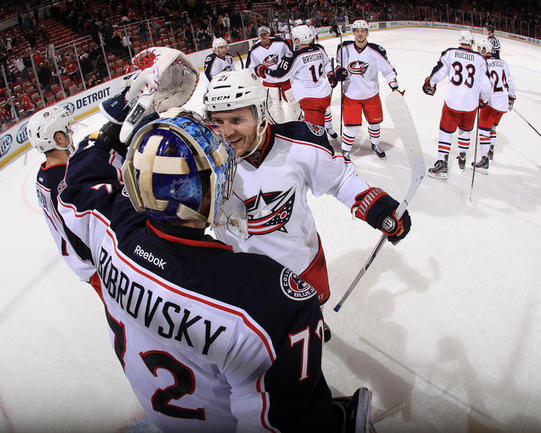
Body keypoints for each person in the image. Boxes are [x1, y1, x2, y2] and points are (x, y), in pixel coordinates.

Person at [58, 104, 377, 433]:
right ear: (208, 190)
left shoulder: (107, 227)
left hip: (163, 413)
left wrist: (113, 125)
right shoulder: (269, 302)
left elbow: (80, 182)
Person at [204, 69, 412, 342]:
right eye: (218, 121)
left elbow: (339, 179)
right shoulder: (200, 156)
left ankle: (314, 320)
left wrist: (377, 208)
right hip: (241, 270)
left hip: (299, 264)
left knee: (308, 316)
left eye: (237, 119)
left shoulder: (298, 143)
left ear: (260, 113)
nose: (227, 132)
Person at [27, 106, 100, 292]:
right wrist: (99, 263)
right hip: (94, 267)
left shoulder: (44, 174)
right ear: (58, 138)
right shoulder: (62, 182)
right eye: (67, 130)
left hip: (80, 262)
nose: (71, 134)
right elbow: (74, 230)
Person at [422, 30, 491, 179]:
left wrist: (431, 83)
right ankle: (462, 157)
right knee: (465, 131)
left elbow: (438, 73)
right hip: (471, 105)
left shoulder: (450, 53)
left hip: (453, 102)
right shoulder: (480, 59)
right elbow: (486, 86)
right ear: (471, 43)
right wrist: (484, 100)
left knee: (446, 132)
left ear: (460, 41)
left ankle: (442, 164)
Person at [335, 19, 402, 161]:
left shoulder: (376, 51)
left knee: (374, 123)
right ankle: (345, 151)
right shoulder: (344, 48)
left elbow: (388, 71)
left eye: (363, 31)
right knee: (351, 127)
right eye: (357, 31)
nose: (360, 34)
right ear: (353, 33)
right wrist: (338, 71)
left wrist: (394, 87)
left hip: (371, 94)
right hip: (351, 94)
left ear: (367, 33)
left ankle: (375, 144)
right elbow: (339, 65)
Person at [255, 24, 338, 139]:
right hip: (324, 93)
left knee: (314, 131)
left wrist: (262, 70)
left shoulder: (294, 56)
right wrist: (330, 75)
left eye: (295, 38)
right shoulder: (319, 49)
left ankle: (320, 144)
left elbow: (280, 76)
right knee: (326, 110)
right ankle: (329, 128)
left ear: (300, 38)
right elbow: (327, 63)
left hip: (309, 98)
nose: (294, 40)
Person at [471, 38, 516, 171]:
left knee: (483, 130)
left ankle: (484, 159)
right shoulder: (504, 63)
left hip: (491, 102)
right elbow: (511, 82)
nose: (479, 51)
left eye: (481, 49)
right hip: (503, 103)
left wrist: (481, 99)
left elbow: (484, 85)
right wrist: (511, 97)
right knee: (493, 127)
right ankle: (490, 150)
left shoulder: (483, 63)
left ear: (486, 50)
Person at [246, 25, 301, 123]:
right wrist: (258, 70)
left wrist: (289, 68)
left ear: (268, 33)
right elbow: (250, 68)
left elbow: (291, 56)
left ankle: (298, 124)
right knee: (274, 107)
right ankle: (278, 127)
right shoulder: (254, 50)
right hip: (269, 81)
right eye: (261, 35)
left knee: (294, 103)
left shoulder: (280, 43)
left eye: (265, 34)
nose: (263, 36)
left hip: (285, 78)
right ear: (258, 36)